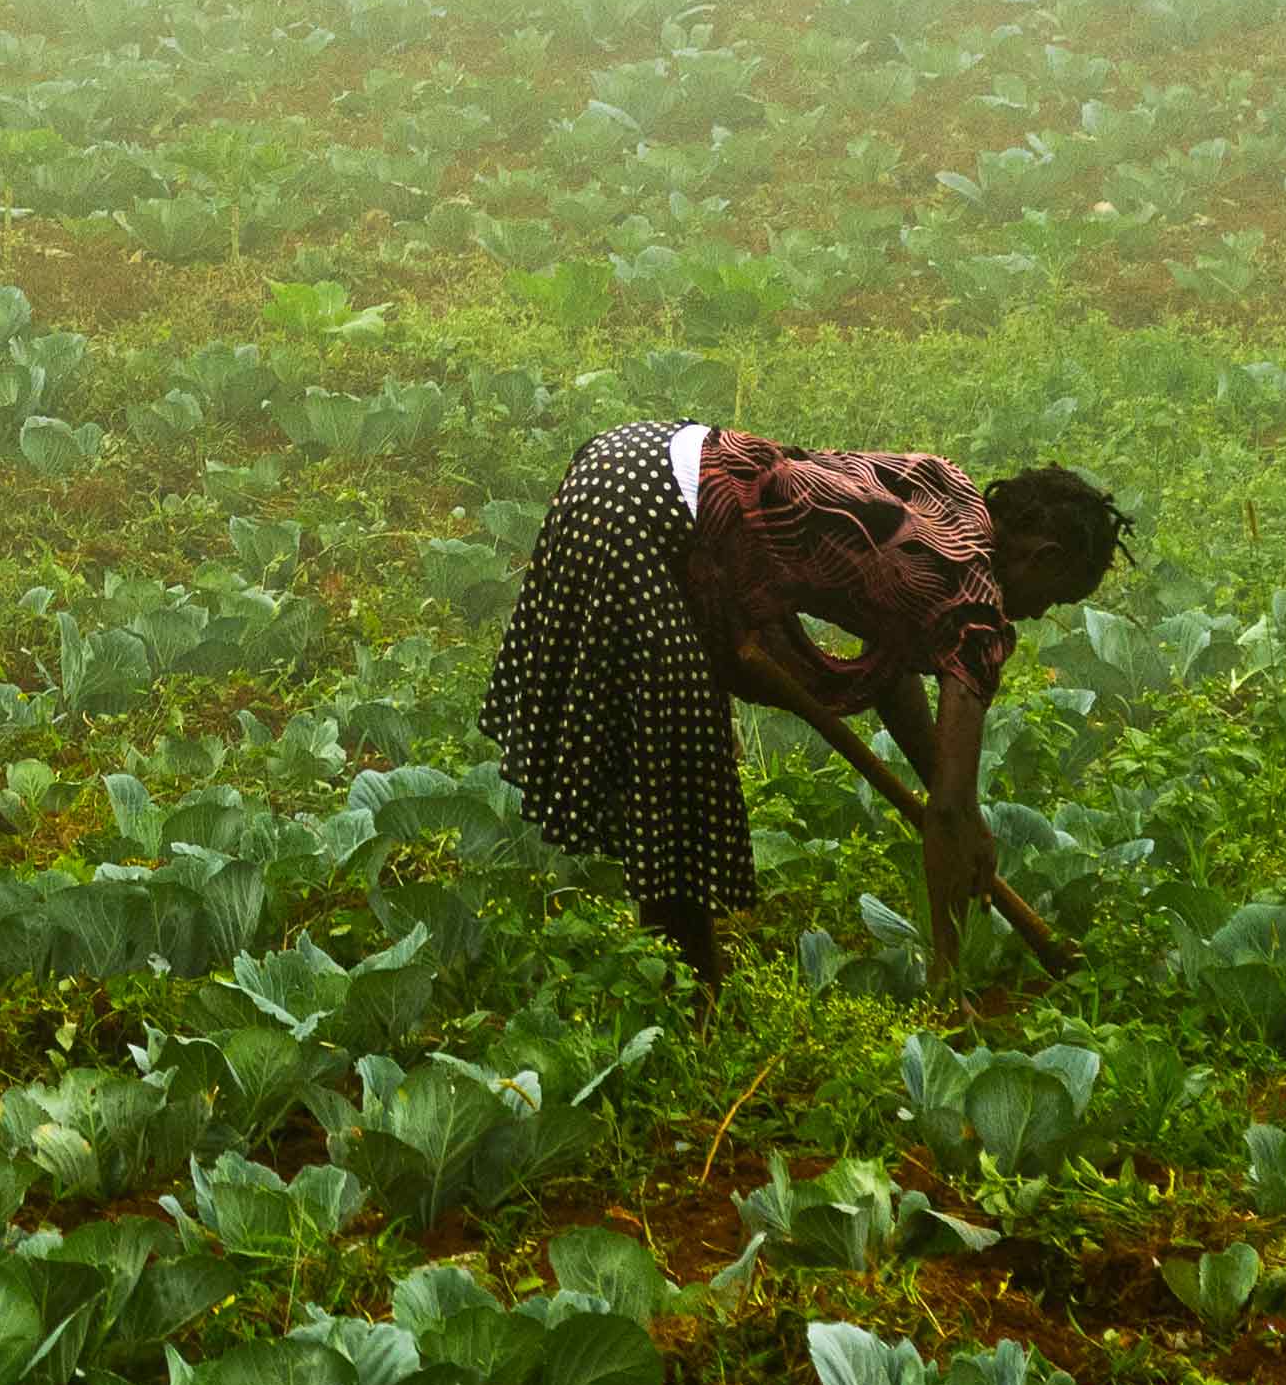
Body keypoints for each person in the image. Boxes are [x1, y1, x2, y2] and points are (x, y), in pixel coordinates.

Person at [476, 416, 1134, 983]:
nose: (1043, 613)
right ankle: (689, 997)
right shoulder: (974, 611)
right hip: (653, 520)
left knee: (673, 747)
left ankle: (676, 982)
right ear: (1042, 557)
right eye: (1057, 597)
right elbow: (949, 811)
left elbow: (897, 680)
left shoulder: (947, 487)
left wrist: (960, 810)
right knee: (683, 770)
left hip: (628, 457)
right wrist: (948, 962)